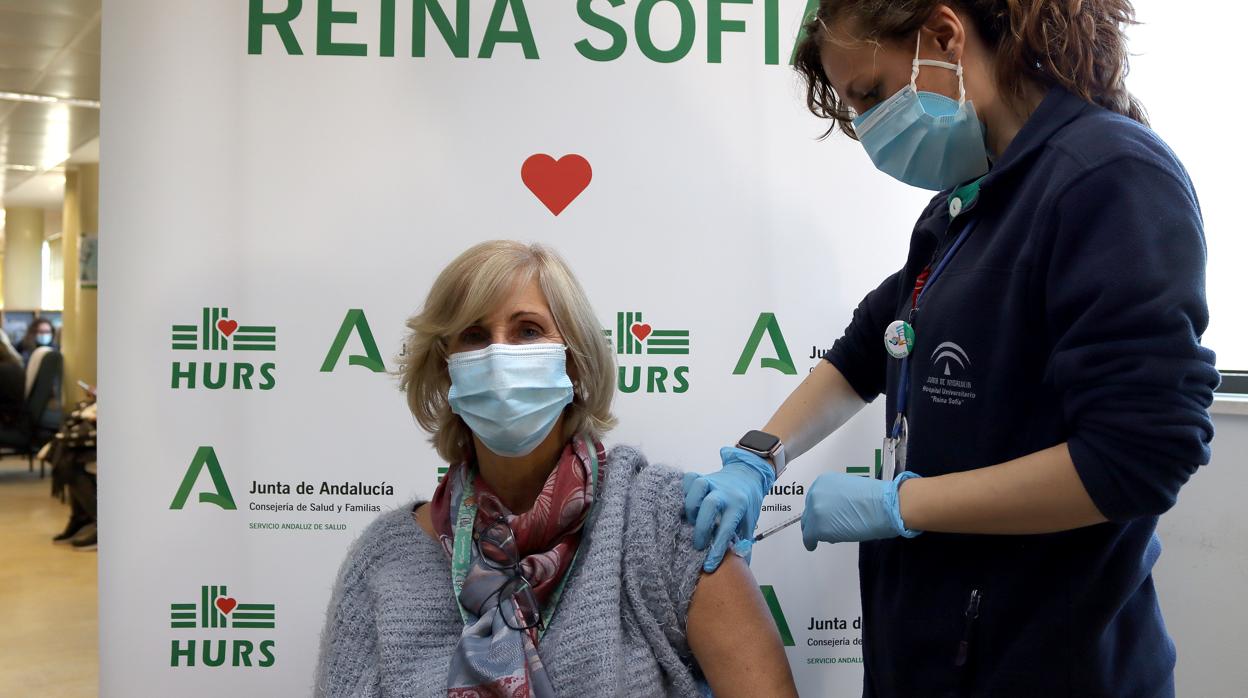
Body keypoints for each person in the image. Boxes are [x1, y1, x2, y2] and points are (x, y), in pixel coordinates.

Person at [682, 2, 1219, 696]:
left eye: (871, 94)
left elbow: (1138, 459)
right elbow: (866, 349)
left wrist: (904, 506)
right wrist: (758, 458)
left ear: (943, 35)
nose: (871, 130)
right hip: (937, 654)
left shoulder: (1108, 177)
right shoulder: (965, 206)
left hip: (1051, 664)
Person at [316, 241, 797, 698]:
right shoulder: (383, 565)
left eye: (528, 330)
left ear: (574, 361)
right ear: (445, 369)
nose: (499, 355)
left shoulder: (664, 525)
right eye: (475, 336)